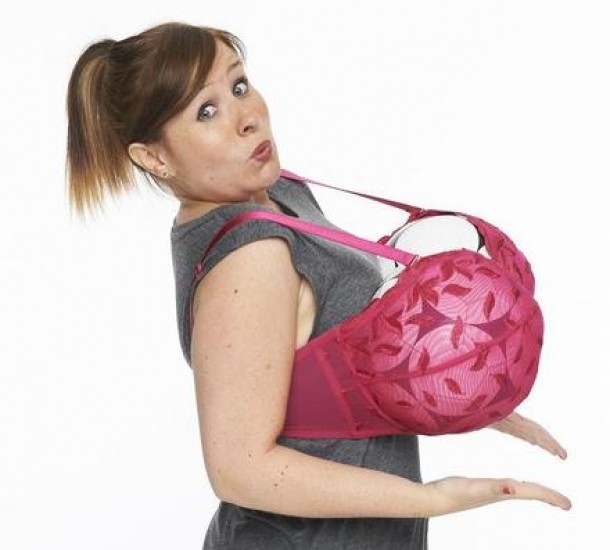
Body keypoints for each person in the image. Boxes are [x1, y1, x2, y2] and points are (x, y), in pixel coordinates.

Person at [65, 21, 571, 549]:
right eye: (206, 112)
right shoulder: (251, 255)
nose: (246, 116)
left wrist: (468, 395)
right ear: (154, 157)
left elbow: (330, 364)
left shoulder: (278, 193)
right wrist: (434, 499)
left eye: (239, 85)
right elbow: (240, 467)